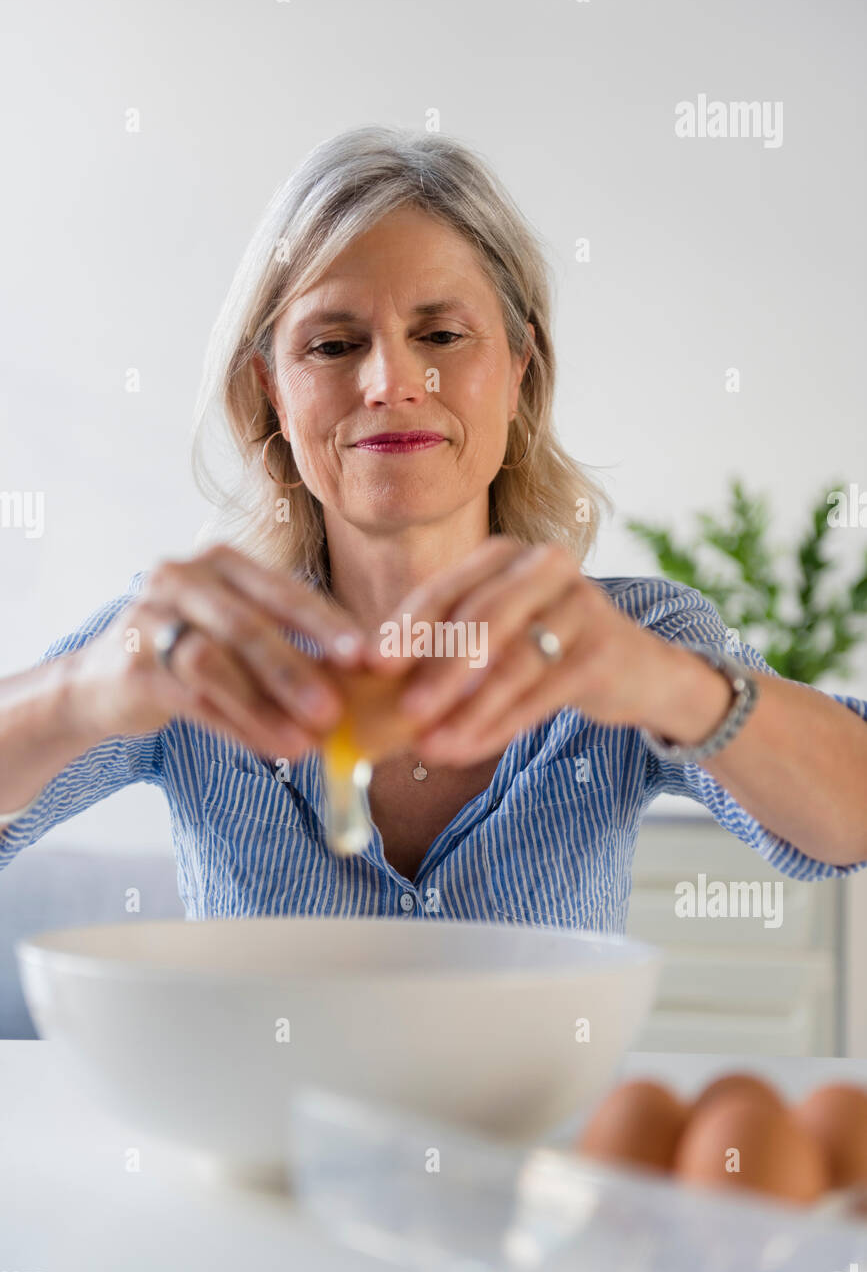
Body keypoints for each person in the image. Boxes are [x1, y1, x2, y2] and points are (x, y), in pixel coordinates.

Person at [1, 126, 866, 928]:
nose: (390, 382)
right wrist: (75, 695)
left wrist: (678, 690)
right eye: (333, 346)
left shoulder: (631, 638)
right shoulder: (194, 648)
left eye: (442, 333)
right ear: (272, 390)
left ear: (520, 370)